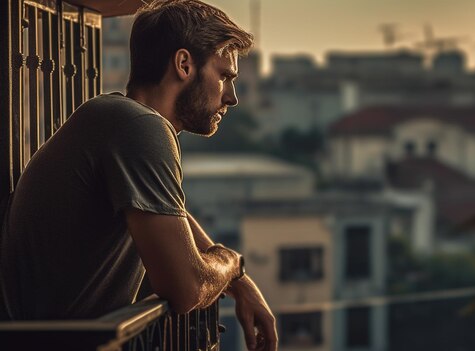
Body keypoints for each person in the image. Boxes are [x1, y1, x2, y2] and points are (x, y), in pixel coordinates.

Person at [0, 0, 278, 350]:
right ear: (184, 64)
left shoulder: (119, 118)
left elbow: (163, 209)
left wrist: (240, 281)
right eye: (224, 76)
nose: (232, 97)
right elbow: (187, 289)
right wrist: (230, 262)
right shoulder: (140, 127)